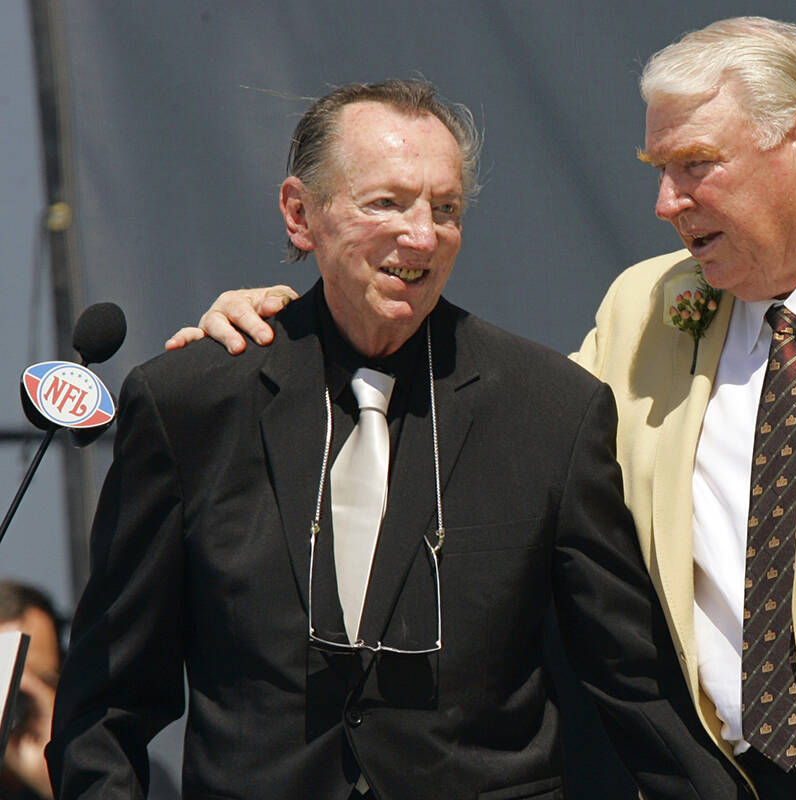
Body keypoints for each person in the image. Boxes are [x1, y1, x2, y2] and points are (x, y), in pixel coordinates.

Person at [172, 18, 796, 800]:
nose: (666, 204)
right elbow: (478, 425)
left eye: (695, 166)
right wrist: (303, 329)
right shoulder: (647, 309)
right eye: (659, 172)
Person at [47, 79, 742, 800]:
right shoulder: (192, 405)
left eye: (446, 209)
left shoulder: (549, 412)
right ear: (299, 214)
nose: (421, 235)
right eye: (386, 203)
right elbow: (107, 700)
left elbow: (632, 689)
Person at [0, 582, 59, 800]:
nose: (19, 698)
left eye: (44, 679)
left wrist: (56, 776)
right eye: (7, 676)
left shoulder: (116, 768)